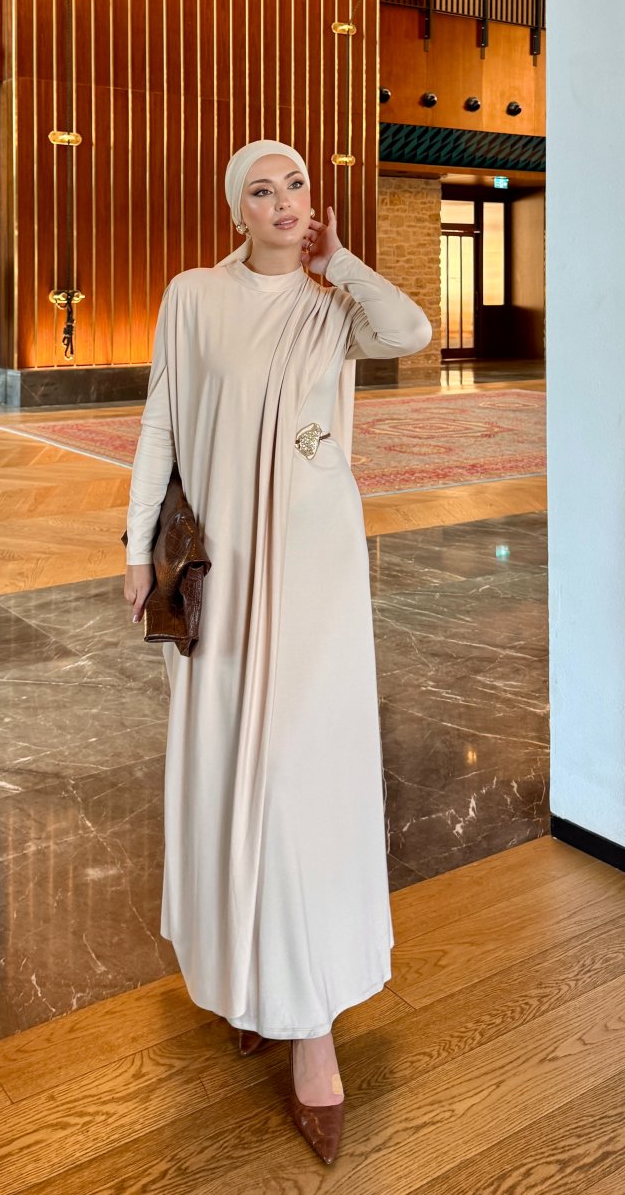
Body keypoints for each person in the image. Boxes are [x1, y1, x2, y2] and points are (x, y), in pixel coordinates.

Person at [123, 138, 431, 1164]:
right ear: (237, 210)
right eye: (262, 190)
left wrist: (341, 262)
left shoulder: (331, 301)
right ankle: (248, 976)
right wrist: (136, 551)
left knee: (301, 776)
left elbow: (412, 331)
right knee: (231, 773)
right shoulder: (193, 297)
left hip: (317, 570)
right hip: (223, 572)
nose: (284, 201)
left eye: (295, 184)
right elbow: (161, 424)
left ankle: (311, 1027)